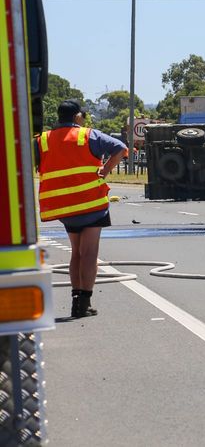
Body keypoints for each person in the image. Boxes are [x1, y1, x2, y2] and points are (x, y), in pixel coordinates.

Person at [36, 100, 127, 318]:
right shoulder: (88, 135)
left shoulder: (43, 140)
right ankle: (84, 304)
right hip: (91, 205)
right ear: (77, 117)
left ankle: (76, 300)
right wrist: (105, 169)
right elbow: (121, 148)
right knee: (89, 253)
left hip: (64, 209)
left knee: (76, 252)